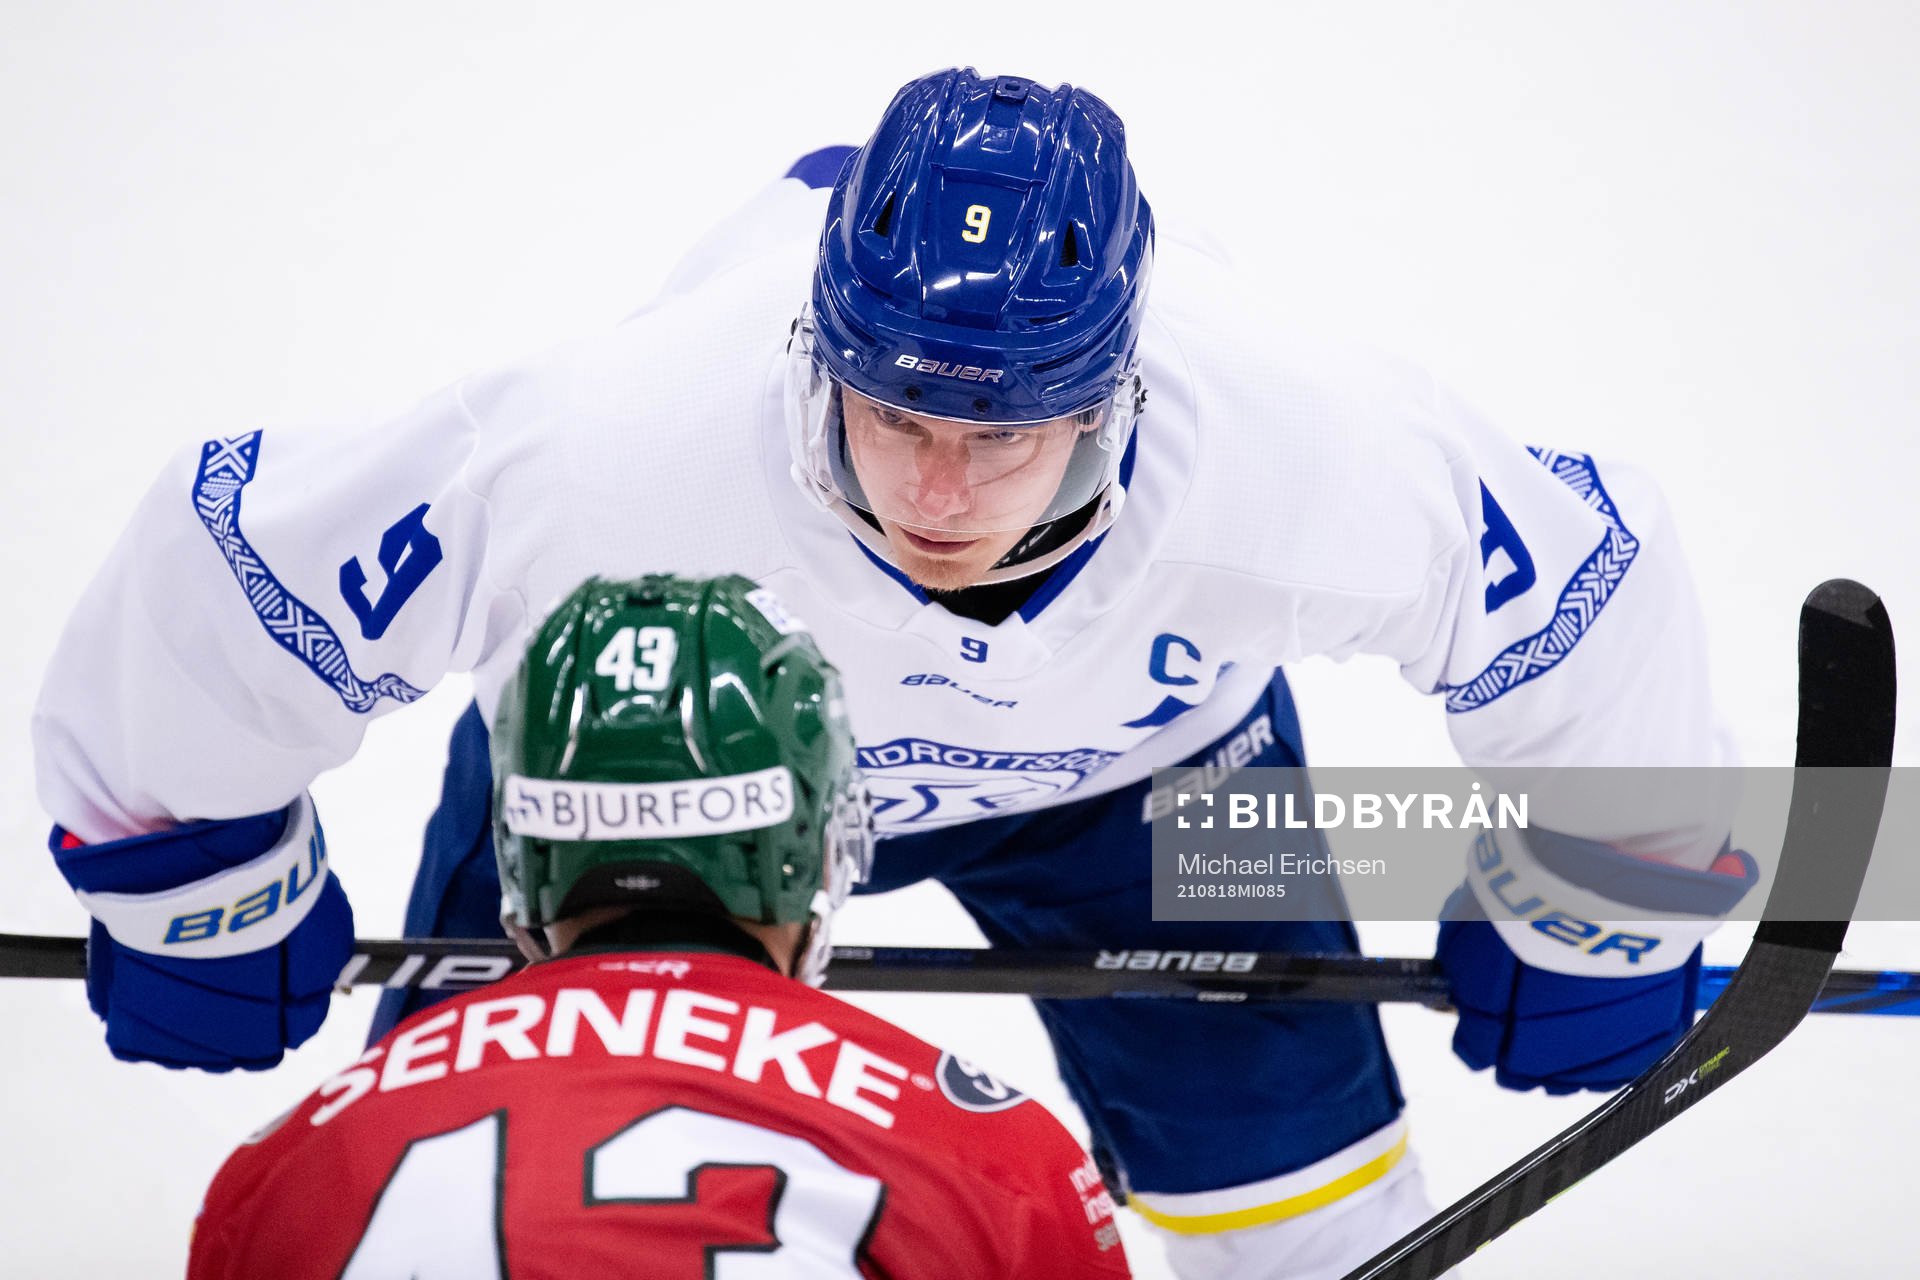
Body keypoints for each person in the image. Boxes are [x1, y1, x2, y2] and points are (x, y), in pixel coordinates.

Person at [36, 69, 1754, 1278]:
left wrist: (1616, 893)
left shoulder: (1311, 443)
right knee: (479, 1181)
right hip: (645, 759)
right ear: (818, 345)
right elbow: (231, 569)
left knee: (1314, 1225)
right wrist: (201, 869)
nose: (941, 490)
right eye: (900, 417)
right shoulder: (604, 449)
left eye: (1005, 438)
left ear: (1118, 392)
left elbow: (1599, 604)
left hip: (1144, 794)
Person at [184, 572, 1131, 1278]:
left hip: (1168, 797)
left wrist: (176, 901)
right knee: (1262, 1195)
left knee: (1265, 1187)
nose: (941, 492)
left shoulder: (281, 1166)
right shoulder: (998, 1157)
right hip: (1164, 804)